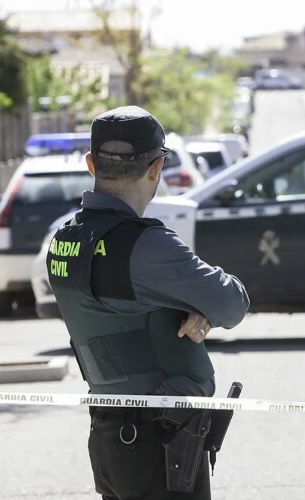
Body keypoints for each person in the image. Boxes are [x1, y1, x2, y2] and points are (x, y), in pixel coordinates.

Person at [47, 106, 250, 500]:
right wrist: (203, 307)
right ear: (156, 168)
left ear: (92, 164)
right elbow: (232, 302)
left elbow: (118, 306)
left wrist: (191, 306)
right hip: (161, 444)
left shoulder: (64, 241)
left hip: (109, 439)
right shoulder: (145, 245)